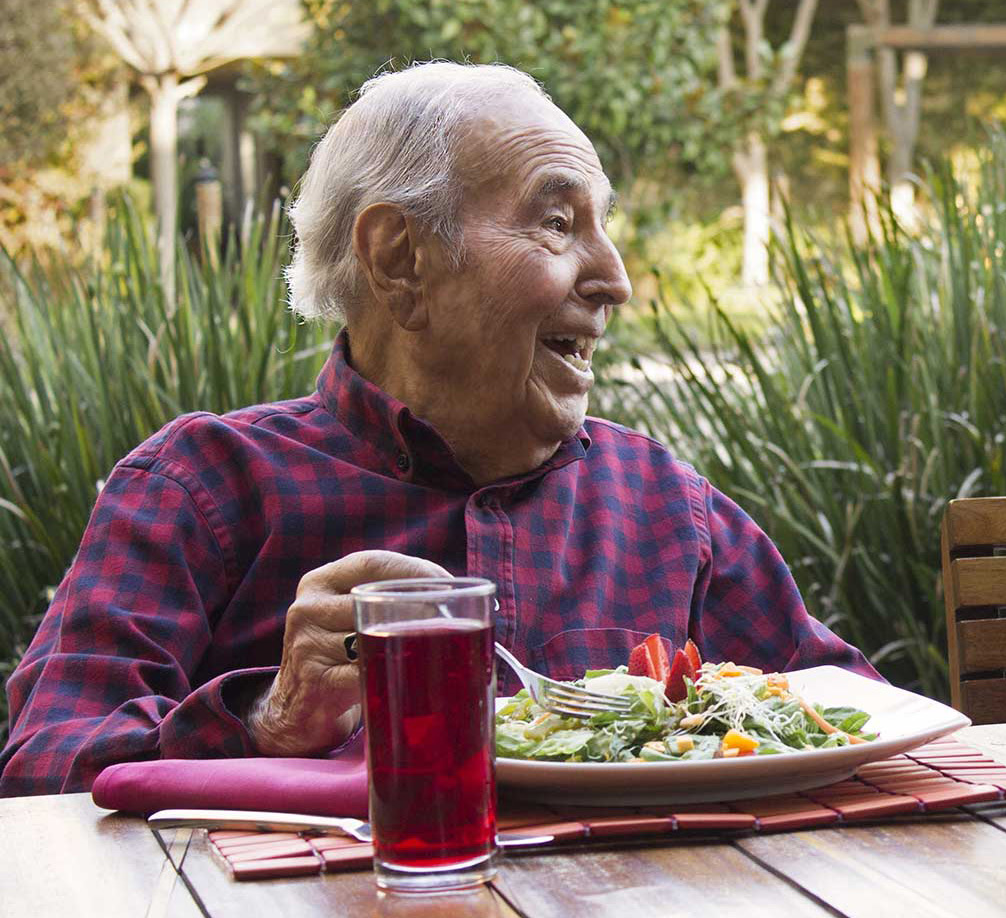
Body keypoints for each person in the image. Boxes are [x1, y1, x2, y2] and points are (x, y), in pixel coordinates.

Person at [1, 62, 874, 795]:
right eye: (559, 223)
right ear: (399, 259)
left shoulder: (659, 502)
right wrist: (272, 721)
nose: (616, 279)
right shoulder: (203, 485)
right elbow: (45, 772)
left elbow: (853, 717)